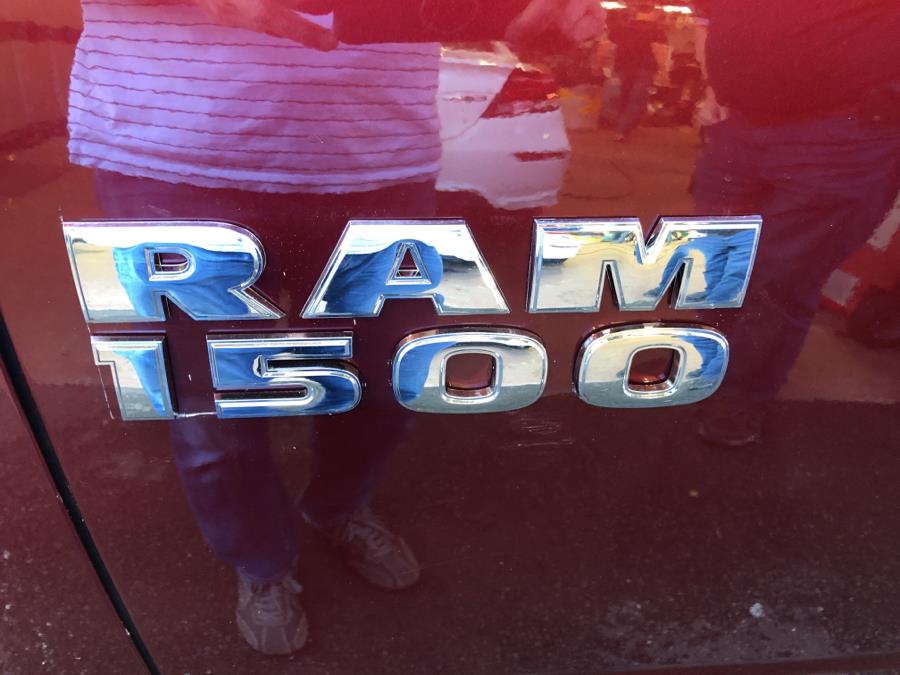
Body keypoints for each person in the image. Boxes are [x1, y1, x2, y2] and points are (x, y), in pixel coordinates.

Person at [68, 0, 604, 656]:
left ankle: (337, 507)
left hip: (378, 157)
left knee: (385, 382)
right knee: (214, 410)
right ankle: (262, 560)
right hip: (173, 157)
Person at [691, 0, 900, 446]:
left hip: (843, 132)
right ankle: (707, 363)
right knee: (714, 260)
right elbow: (708, 14)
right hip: (738, 123)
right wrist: (712, 87)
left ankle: (741, 395)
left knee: (782, 276)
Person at [606, 0, 666, 140]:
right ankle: (623, 129)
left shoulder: (622, 28)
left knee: (625, 96)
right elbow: (659, 50)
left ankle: (621, 126)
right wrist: (662, 69)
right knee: (637, 99)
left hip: (623, 66)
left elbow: (609, 44)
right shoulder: (656, 30)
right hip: (645, 67)